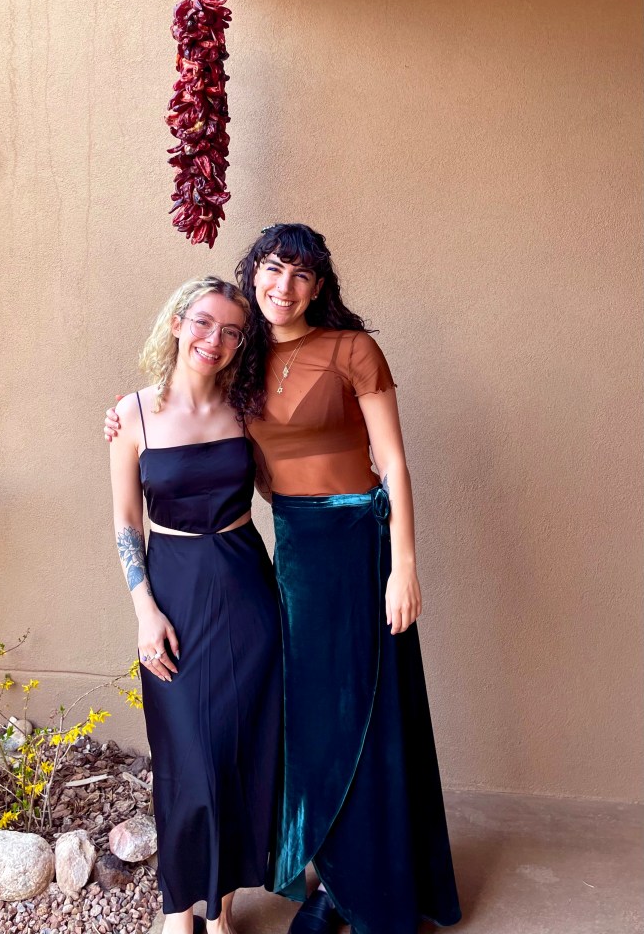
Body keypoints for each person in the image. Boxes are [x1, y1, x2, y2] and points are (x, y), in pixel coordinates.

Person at [106, 227, 461, 934]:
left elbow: (389, 462)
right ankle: (248, 895)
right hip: (285, 559)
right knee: (273, 733)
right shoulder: (223, 375)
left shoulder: (331, 358)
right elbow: (164, 482)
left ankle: (362, 888)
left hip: (339, 551)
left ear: (319, 286)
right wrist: (127, 417)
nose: (285, 287)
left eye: (302, 275)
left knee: (358, 716)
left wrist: (406, 565)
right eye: (273, 269)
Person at [109, 276, 281, 934]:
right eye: (205, 322)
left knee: (239, 756)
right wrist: (144, 610)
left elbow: (283, 486)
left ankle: (221, 911)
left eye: (232, 331)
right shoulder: (131, 415)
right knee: (187, 762)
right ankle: (177, 912)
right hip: (174, 594)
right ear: (178, 322)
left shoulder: (247, 411)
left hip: (246, 591)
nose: (216, 339)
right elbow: (126, 521)